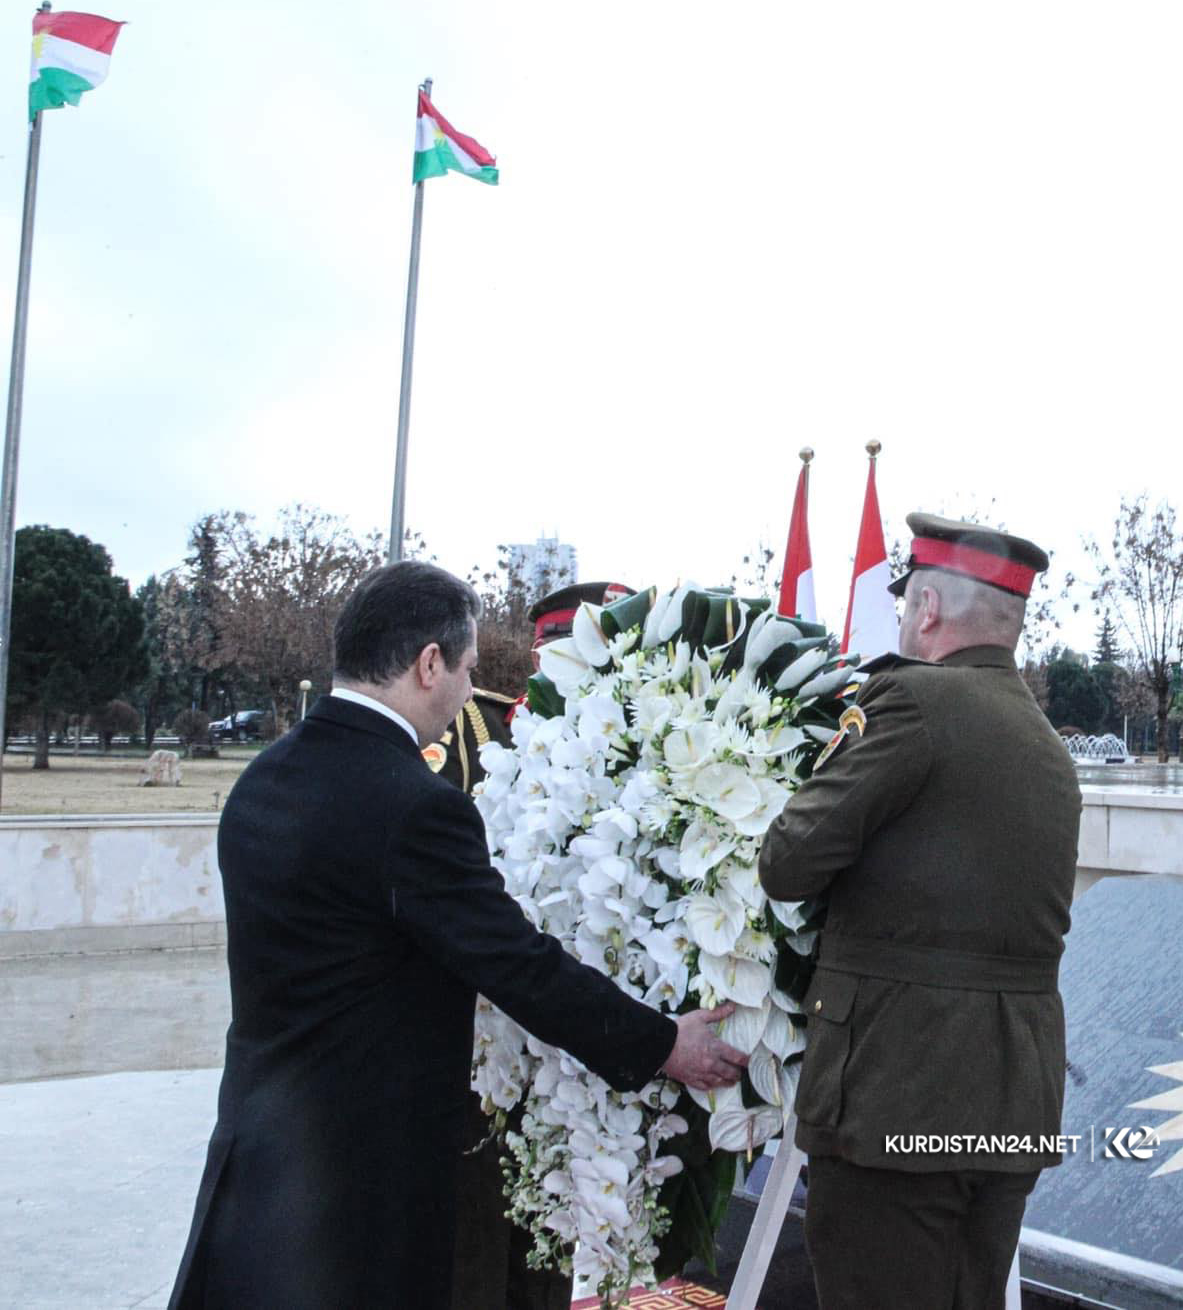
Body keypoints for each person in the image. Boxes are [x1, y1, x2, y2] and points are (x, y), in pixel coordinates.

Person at [168, 560, 749, 1309]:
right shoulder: (413, 805)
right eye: (470, 670)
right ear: (428, 663)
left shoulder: (263, 780)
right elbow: (516, 964)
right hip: (356, 1177)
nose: (472, 693)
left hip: (260, 1149)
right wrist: (665, 1044)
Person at [759, 513, 1081, 1310]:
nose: (903, 620)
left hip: (895, 1092)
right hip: (1007, 1100)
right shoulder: (1045, 742)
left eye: (906, 605)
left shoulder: (911, 701)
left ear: (928, 609)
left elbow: (788, 861)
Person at [443, 576, 627, 1310]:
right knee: (474, 1240)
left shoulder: (623, 752)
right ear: (546, 654)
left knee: (551, 1238)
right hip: (479, 1039)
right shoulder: (470, 733)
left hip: (574, 1039)